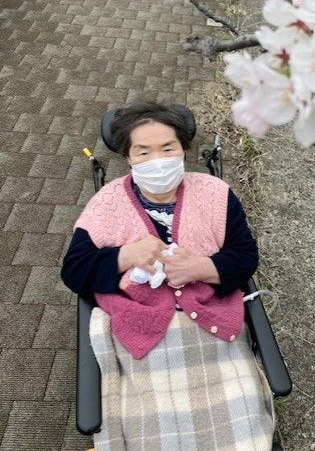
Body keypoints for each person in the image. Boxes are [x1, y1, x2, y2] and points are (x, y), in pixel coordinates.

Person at [61, 101, 275, 451]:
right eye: (143, 151)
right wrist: (123, 256)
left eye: (167, 148)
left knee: (243, 420)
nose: (157, 160)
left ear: (183, 150)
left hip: (211, 325)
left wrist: (204, 267)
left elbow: (244, 256)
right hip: (140, 328)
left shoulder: (215, 195)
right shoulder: (106, 205)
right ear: (128, 157)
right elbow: (74, 271)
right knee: (151, 429)